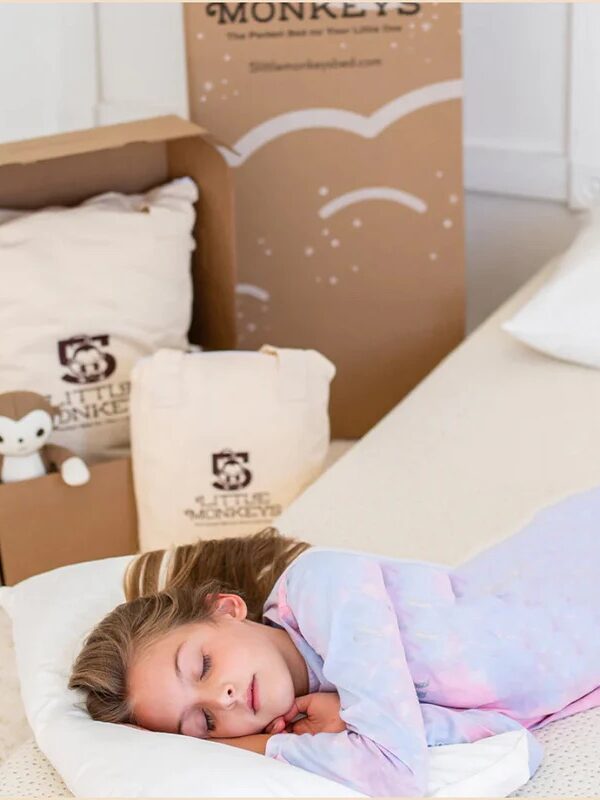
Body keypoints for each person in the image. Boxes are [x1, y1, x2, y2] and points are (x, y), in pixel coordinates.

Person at [70, 487, 600, 797]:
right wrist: (337, 723)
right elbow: (508, 736)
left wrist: (258, 744)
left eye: (203, 665)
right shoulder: (339, 713)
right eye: (204, 722)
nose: (223, 698)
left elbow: (395, 773)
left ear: (227, 608)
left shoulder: (320, 585)